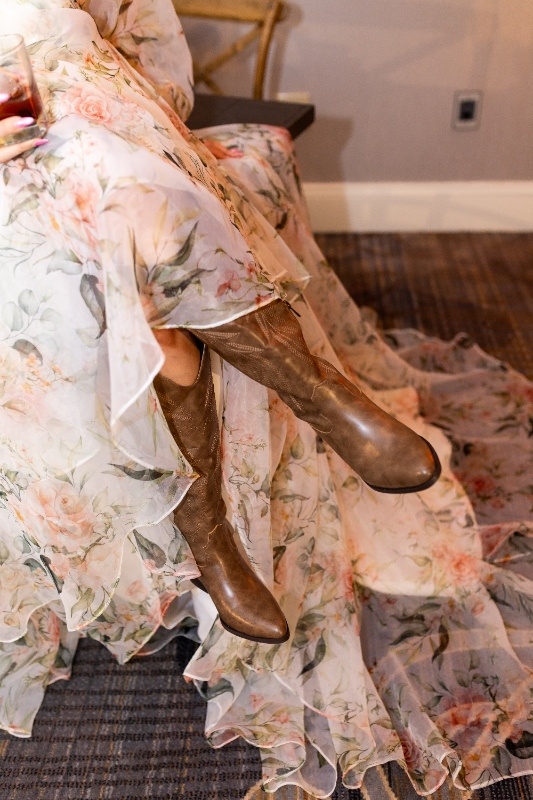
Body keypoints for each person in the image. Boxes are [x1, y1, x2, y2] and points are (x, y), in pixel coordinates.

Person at [0, 0, 532, 796]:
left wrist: (114, 103)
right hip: (28, 194)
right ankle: (306, 419)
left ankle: (220, 538)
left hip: (115, 154)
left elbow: (157, 57)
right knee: (144, 240)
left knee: (134, 214)